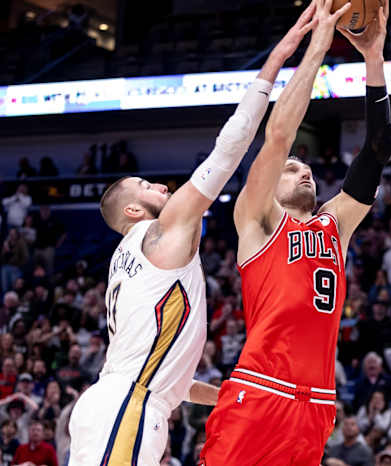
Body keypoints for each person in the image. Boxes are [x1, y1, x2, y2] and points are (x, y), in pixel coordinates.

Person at [66, 18, 308, 465]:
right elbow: (228, 149)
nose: (158, 185)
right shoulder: (162, 231)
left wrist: (235, 399)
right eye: (145, 185)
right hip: (129, 405)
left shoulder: (137, 259)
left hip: (122, 400)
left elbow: (175, 382)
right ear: (133, 211)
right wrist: (275, 62)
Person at [201, 0, 391, 463]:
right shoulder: (258, 217)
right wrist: (318, 47)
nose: (303, 171)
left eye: (307, 169)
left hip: (317, 404)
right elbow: (279, 136)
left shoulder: (337, 224)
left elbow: (377, 148)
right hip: (260, 389)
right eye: (292, 169)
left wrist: (373, 58)